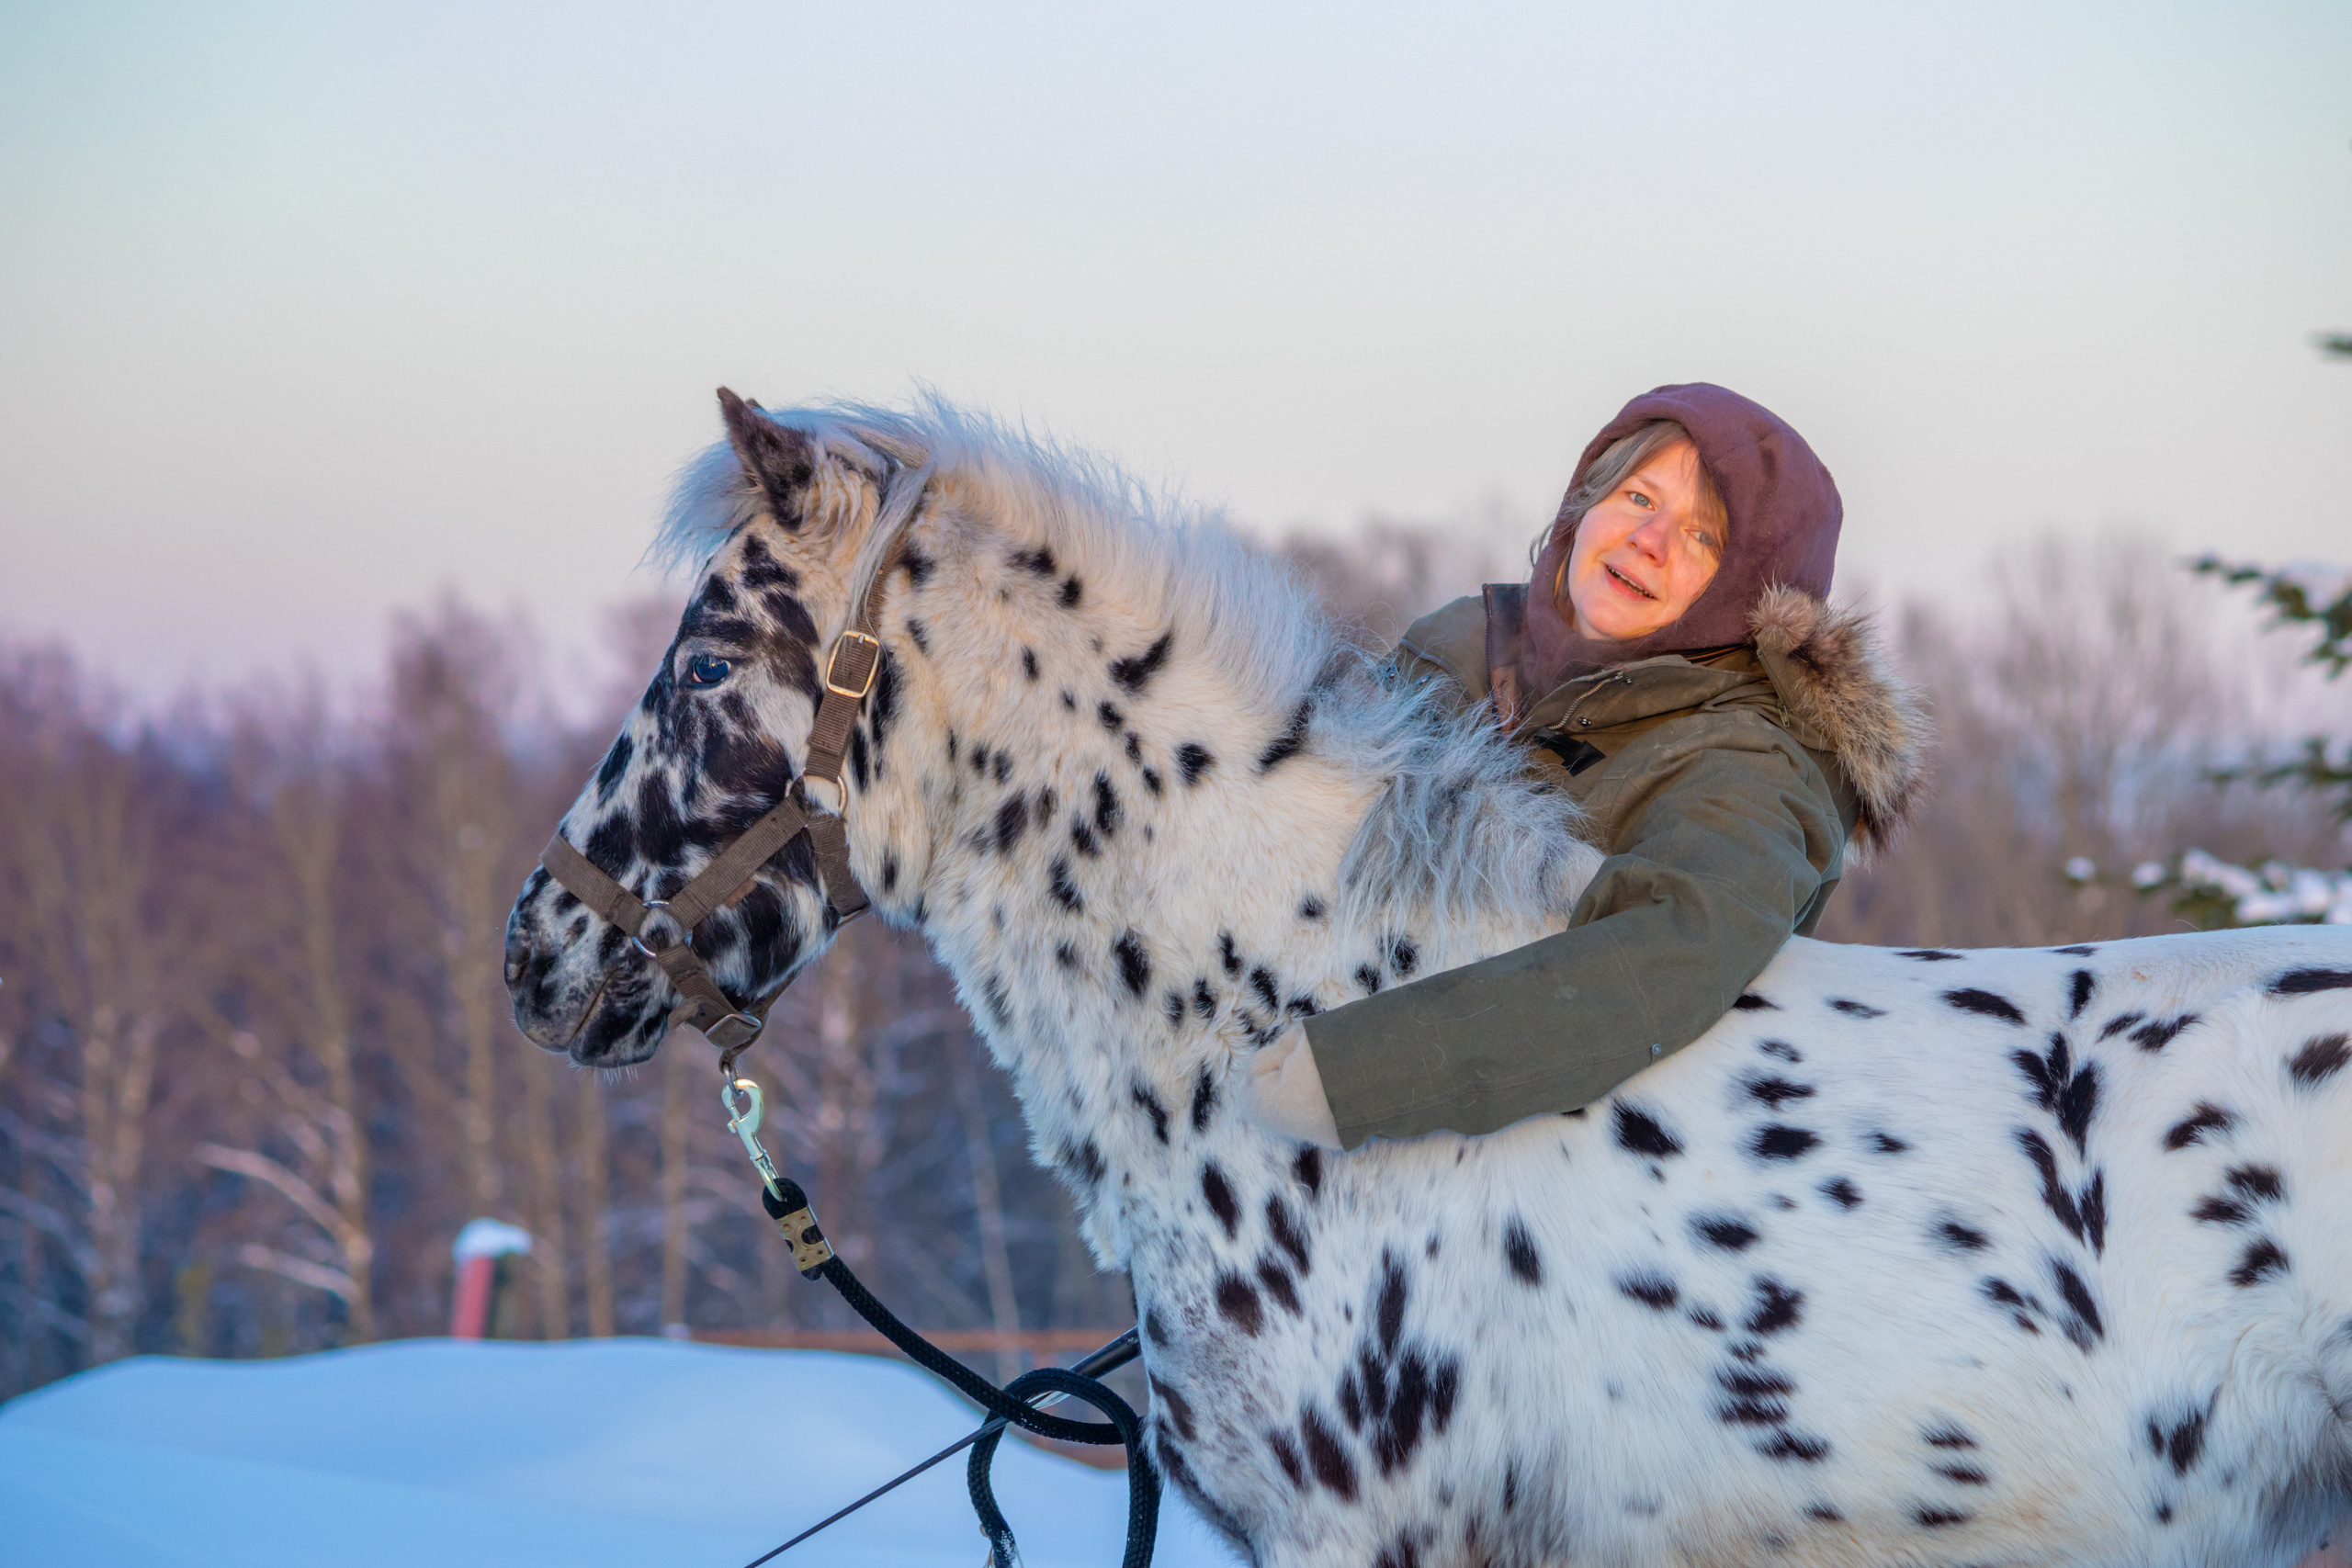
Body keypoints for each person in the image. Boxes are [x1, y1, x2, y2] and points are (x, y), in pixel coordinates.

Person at [1242, 382, 1929, 1150]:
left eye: (1705, 538)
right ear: (1586, 501)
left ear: (1750, 598)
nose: (1650, 540)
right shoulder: (1465, 647)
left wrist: (1356, 1077)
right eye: (1638, 497)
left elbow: (1670, 952)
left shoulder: (1752, 763)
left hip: (1578, 1203)